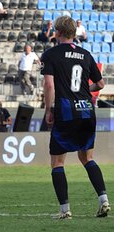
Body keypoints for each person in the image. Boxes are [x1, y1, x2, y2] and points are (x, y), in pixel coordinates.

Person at [41, 15, 110, 219]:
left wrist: (48, 110)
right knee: (87, 157)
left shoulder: (51, 54)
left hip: (66, 110)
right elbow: (100, 85)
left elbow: (49, 85)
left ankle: (64, 210)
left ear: (58, 33)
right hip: (87, 109)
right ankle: (104, 200)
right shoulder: (86, 54)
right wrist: (83, 90)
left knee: (57, 163)